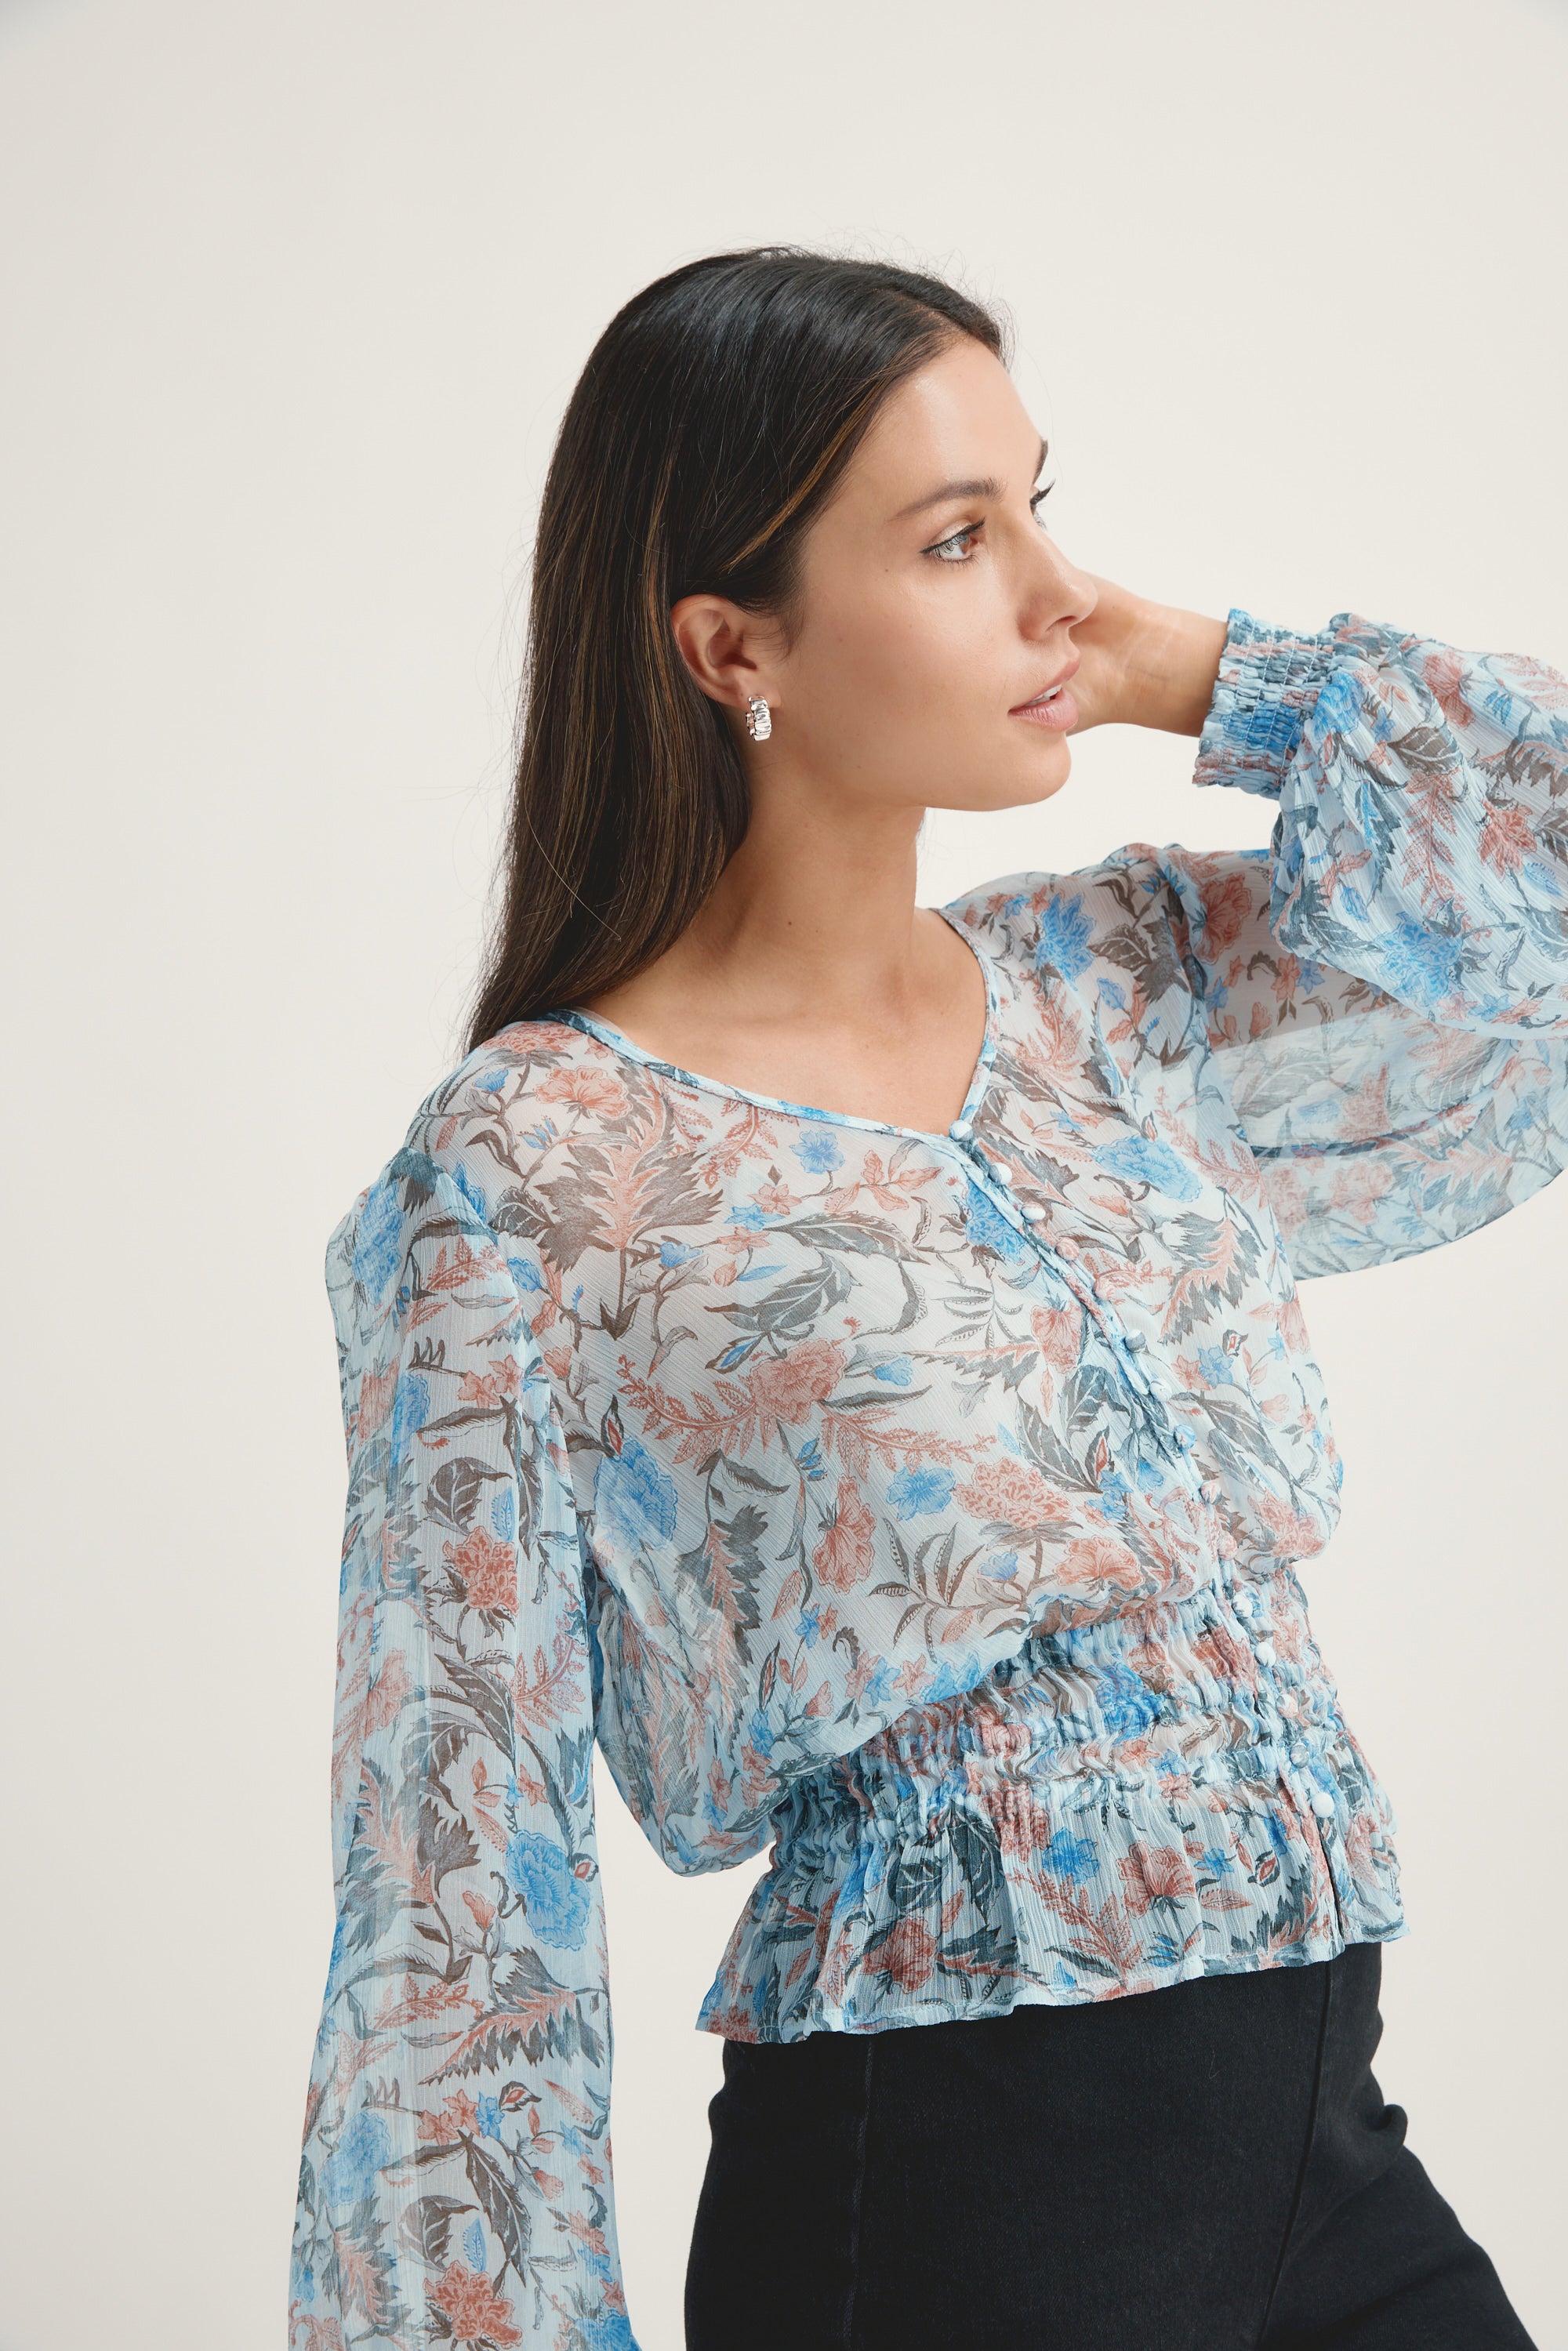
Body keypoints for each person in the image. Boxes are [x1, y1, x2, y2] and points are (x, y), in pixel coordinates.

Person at [288, 247, 1562, 2351]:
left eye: (1041, 504)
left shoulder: (1119, 988)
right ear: (731, 645)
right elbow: (451, 1899)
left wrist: (1211, 673)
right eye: (960, 540)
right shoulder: (531, 1176)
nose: (1051, 586)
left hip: (1326, 2146)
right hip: (958, 2204)